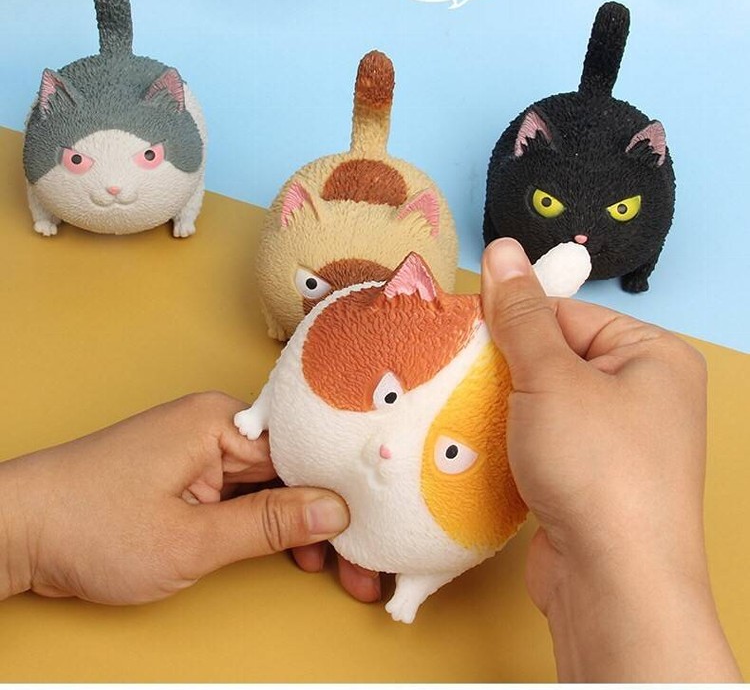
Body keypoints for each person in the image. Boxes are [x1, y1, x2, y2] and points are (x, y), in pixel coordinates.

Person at [0, 238, 741, 682]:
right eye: (389, 398)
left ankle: (410, 585)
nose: (388, 446)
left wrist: (28, 529)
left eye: (448, 451)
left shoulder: (524, 433)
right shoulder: (342, 348)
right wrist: (26, 531)